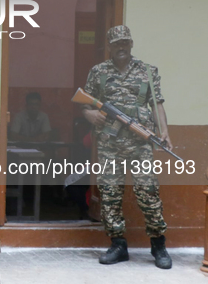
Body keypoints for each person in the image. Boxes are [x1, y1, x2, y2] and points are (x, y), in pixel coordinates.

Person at [81, 25, 172, 269]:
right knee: (110, 194)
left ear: (131, 44)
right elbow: (84, 102)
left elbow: (157, 104)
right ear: (109, 46)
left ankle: (158, 244)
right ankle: (118, 244)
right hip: (109, 144)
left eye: (125, 42)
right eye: (116, 43)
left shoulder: (148, 72)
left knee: (148, 192)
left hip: (141, 143)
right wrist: (90, 115)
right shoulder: (98, 72)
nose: (121, 46)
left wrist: (164, 132)